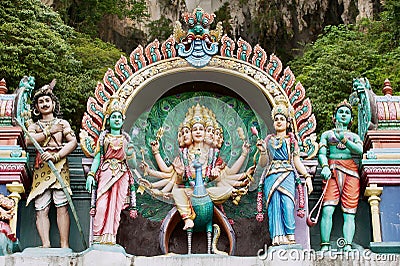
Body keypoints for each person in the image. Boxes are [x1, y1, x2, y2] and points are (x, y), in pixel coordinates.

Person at [25, 80, 77, 248]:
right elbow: (28, 140)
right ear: (36, 107)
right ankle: (45, 244)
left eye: (47, 100)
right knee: (41, 206)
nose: (45, 104)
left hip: (58, 165)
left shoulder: (63, 124)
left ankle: (64, 244)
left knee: (61, 204)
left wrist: (57, 156)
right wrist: (48, 132)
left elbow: (73, 142)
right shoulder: (34, 125)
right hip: (41, 167)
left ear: (54, 104)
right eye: (41, 102)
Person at [256, 96, 313, 246]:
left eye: (282, 119)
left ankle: (290, 237)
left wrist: (307, 176)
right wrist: (262, 151)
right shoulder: (268, 140)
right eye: (276, 119)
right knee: (274, 207)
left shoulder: (291, 141)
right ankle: (277, 238)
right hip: (271, 175)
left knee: (288, 206)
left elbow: (296, 160)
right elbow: (263, 164)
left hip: (287, 174)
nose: (279, 121)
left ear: (288, 123)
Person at [85, 96, 137, 245]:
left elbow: (132, 163)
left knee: (116, 208)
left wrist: (130, 154)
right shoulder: (103, 138)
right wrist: (91, 174)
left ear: (123, 120)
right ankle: (97, 238)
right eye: (113, 117)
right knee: (101, 206)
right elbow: (97, 157)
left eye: (119, 117)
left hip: (121, 174)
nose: (116, 120)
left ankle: (110, 237)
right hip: (106, 172)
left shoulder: (126, 140)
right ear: (108, 120)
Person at [318, 100, 363, 251]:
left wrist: (344, 139)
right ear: (334, 116)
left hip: (351, 172)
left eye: (347, 113)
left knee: (349, 212)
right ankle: (324, 245)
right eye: (340, 112)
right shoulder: (327, 134)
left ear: (351, 119)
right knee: (327, 209)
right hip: (331, 171)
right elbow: (322, 153)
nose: (343, 115)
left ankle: (348, 245)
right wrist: (324, 166)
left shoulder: (354, 136)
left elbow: (359, 151)